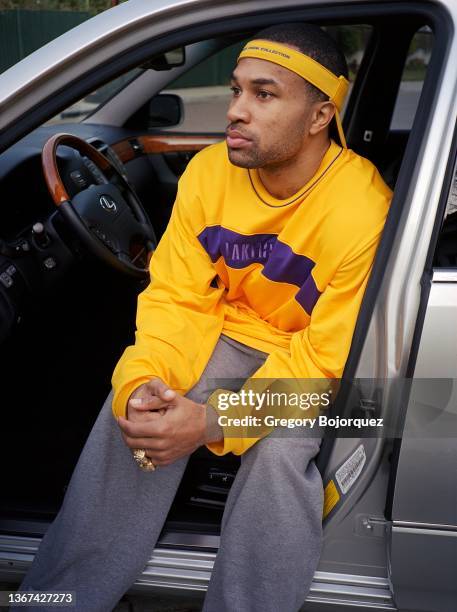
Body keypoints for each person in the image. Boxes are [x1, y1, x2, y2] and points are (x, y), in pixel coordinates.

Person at [16, 22, 391, 612]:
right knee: (141, 413)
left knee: (277, 456)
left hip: (313, 363)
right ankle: (58, 599)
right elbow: (176, 299)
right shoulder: (210, 171)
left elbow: (324, 364)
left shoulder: (363, 208)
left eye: (264, 95)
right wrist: (142, 382)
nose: (236, 110)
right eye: (237, 89)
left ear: (320, 117)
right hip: (229, 331)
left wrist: (213, 420)